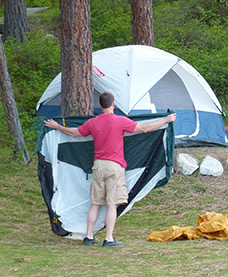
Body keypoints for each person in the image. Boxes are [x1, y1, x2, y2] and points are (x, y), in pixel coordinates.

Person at [44, 91, 176, 247]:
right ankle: (109, 239)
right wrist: (165, 120)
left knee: (95, 204)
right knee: (112, 204)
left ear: (100, 105)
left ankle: (88, 236)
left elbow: (74, 133)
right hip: (114, 166)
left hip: (98, 166)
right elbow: (145, 129)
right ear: (113, 104)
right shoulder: (120, 121)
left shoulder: (93, 122)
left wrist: (57, 126)